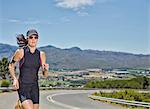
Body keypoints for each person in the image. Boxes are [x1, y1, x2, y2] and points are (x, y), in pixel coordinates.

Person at [9, 29, 49, 109]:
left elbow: (45, 75)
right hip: (23, 86)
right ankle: (22, 103)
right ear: (27, 39)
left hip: (34, 87)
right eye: (31, 37)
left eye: (35, 37)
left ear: (38, 39)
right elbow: (11, 65)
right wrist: (14, 79)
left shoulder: (41, 54)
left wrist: (46, 70)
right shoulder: (21, 52)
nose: (33, 39)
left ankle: (20, 106)